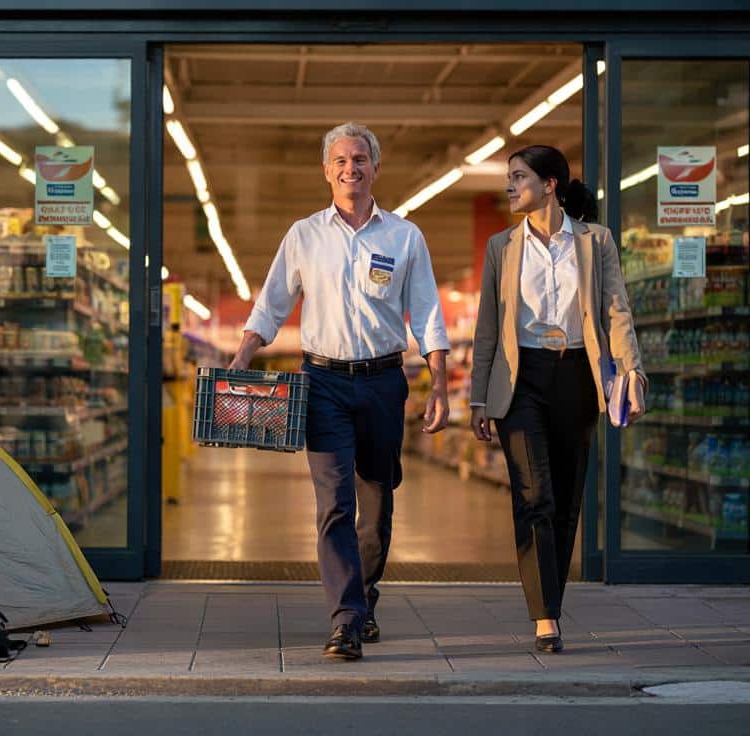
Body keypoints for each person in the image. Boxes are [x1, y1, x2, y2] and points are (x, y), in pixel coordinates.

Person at [231, 122, 451, 661]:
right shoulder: (304, 235)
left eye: (360, 159)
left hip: (382, 382)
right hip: (322, 381)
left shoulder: (405, 236)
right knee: (334, 502)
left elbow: (426, 312)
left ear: (375, 168)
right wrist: (241, 357)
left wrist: (440, 381)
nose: (350, 167)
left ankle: (365, 596)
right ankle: (346, 618)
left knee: (376, 502)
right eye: (340, 160)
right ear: (326, 171)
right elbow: (272, 303)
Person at [469, 145, 646, 654]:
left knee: (567, 500)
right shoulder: (501, 247)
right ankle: (545, 616)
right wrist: (479, 397)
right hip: (520, 377)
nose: (509, 186)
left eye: (518, 177)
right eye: (508, 177)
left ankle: (551, 600)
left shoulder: (596, 241)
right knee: (534, 494)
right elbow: (486, 329)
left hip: (575, 376)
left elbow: (616, 310)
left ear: (550, 185)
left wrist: (630, 369)